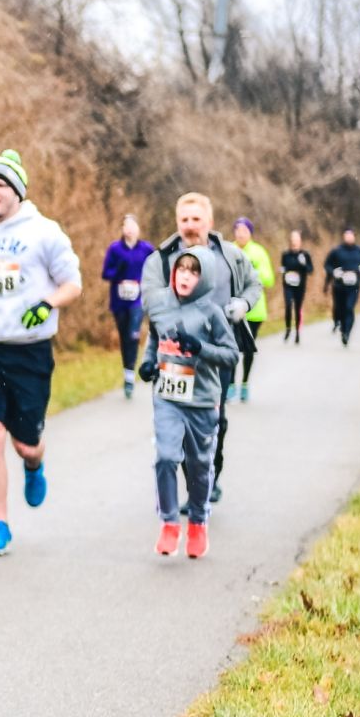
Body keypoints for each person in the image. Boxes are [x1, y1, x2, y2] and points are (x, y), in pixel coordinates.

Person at [0, 149, 83, 557]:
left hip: (30, 352)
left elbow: (73, 284)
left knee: (25, 443)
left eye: (0, 185)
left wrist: (47, 303)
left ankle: (33, 462)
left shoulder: (45, 232)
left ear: (17, 191)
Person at [143, 194, 261, 504]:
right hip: (176, 355)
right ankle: (192, 481)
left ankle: (210, 474)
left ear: (209, 222)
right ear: (177, 222)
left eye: (197, 219)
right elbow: (150, 298)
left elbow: (254, 283)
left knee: (214, 418)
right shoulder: (163, 258)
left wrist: (243, 303)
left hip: (216, 351)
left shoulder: (231, 256)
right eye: (184, 220)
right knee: (178, 418)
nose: (190, 226)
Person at [138, 249, 238, 559]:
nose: (185, 276)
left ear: (203, 277)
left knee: (198, 467)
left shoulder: (212, 313)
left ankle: (197, 521)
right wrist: (148, 365)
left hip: (203, 401)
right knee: (166, 458)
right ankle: (169, 523)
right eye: (181, 269)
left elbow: (231, 354)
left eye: (193, 272)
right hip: (168, 398)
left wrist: (201, 348)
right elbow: (154, 341)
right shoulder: (160, 305)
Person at [102, 213, 155, 397]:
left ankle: (131, 376)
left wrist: (146, 284)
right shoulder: (115, 249)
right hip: (119, 301)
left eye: (133, 225)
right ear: (122, 229)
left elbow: (157, 268)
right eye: (126, 225)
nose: (130, 229)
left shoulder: (146, 249)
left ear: (138, 228)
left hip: (138, 300)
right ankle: (128, 373)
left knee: (133, 335)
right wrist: (119, 270)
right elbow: (106, 274)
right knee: (125, 338)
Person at [232, 217, 273, 400]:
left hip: (254, 311)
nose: (240, 234)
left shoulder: (258, 252)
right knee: (232, 348)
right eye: (237, 230)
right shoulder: (228, 250)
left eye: (244, 230)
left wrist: (251, 273)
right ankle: (231, 384)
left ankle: (245, 382)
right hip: (232, 308)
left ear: (250, 233)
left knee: (248, 350)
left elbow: (269, 279)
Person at [324, 228, 360, 347]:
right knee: (339, 308)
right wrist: (333, 272)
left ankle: (347, 332)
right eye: (346, 235)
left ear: (354, 237)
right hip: (339, 286)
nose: (349, 238)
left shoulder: (359, 251)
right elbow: (327, 264)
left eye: (351, 235)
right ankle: (342, 328)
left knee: (349, 308)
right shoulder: (336, 251)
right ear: (343, 237)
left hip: (354, 286)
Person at [279, 229, 314, 343]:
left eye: (297, 240)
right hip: (288, 285)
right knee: (288, 305)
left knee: (298, 308)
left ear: (300, 241)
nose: (294, 242)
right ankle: (288, 328)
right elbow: (283, 268)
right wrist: (283, 271)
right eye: (293, 240)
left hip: (300, 286)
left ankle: (297, 332)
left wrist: (304, 264)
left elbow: (310, 270)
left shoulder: (305, 255)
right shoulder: (285, 254)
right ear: (290, 241)